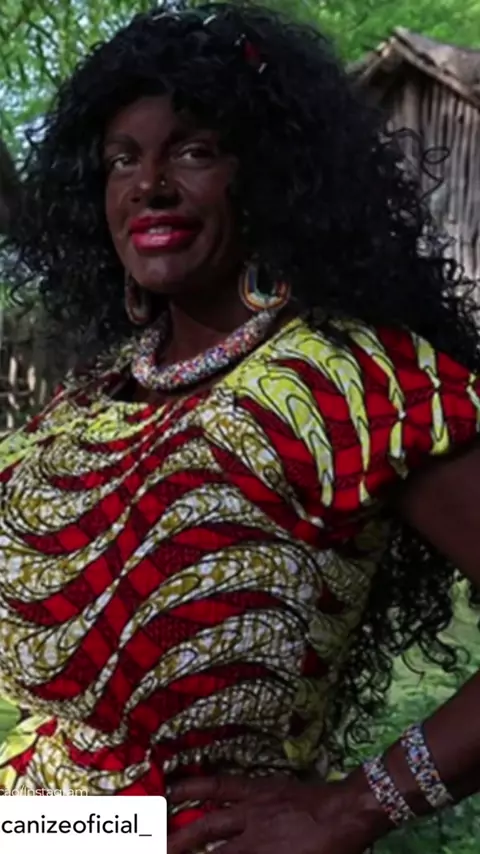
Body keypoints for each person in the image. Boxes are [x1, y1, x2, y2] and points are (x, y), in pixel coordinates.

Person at [0, 3, 479, 852]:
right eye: (121, 159)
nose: (149, 184)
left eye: (194, 150)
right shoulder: (81, 408)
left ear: (268, 177)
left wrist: (356, 805)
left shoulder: (354, 382)